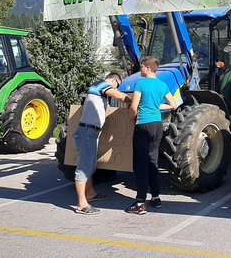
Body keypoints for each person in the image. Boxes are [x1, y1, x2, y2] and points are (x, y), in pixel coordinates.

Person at [73, 71, 130, 215]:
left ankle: (90, 193)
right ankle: (81, 204)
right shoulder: (100, 84)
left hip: (91, 132)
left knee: (90, 166)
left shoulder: (99, 92)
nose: (115, 88)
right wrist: (135, 101)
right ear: (113, 81)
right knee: (83, 167)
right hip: (87, 132)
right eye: (117, 85)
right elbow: (119, 96)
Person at [126, 56, 176, 215]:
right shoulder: (162, 84)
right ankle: (156, 197)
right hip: (157, 126)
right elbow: (172, 105)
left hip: (143, 125)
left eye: (141, 67)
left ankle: (140, 202)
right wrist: (155, 106)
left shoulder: (140, 83)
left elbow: (133, 107)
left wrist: (132, 118)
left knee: (140, 164)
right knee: (152, 161)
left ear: (147, 68)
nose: (140, 69)